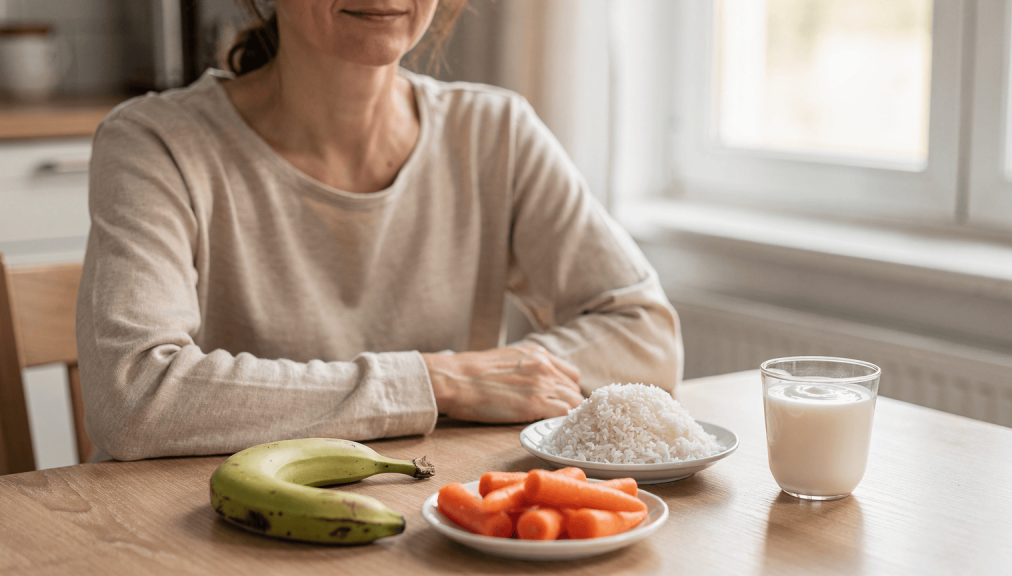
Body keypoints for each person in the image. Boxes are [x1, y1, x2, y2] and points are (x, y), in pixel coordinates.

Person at [76, 0, 683, 462]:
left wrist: (500, 377)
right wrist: (440, 382)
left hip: (432, 518)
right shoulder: (154, 142)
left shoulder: (495, 131)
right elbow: (133, 398)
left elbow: (647, 337)